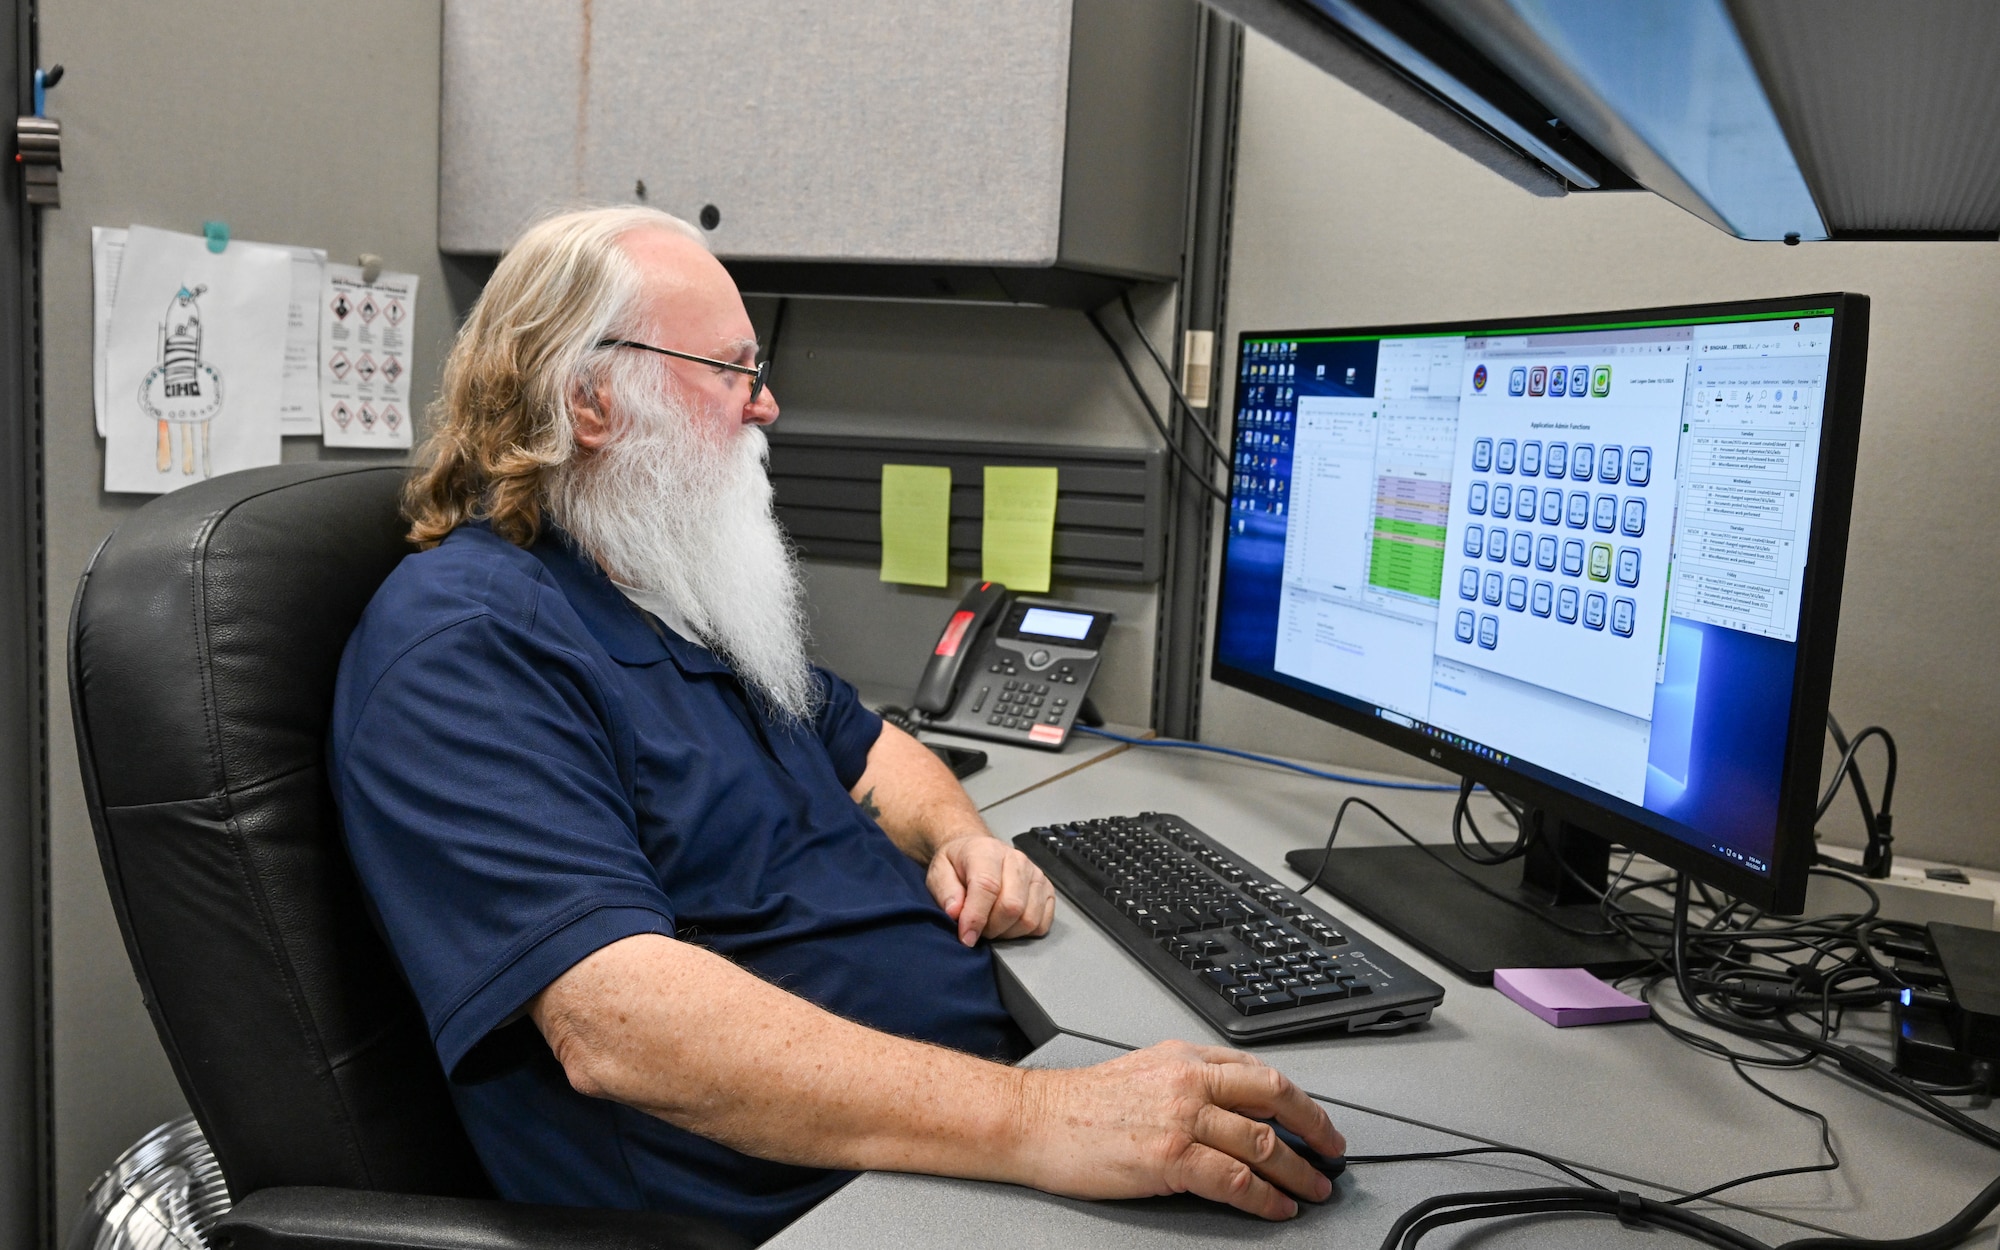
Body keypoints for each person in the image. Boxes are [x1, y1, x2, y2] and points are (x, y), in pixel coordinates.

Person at [328, 205, 1343, 1242]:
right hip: (807, 1207)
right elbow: (618, 1025)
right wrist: (1042, 1117)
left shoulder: (662, 594)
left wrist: (960, 839)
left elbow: (877, 751)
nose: (766, 404)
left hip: (941, 1138)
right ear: (590, 399)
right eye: (730, 368)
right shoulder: (465, 646)